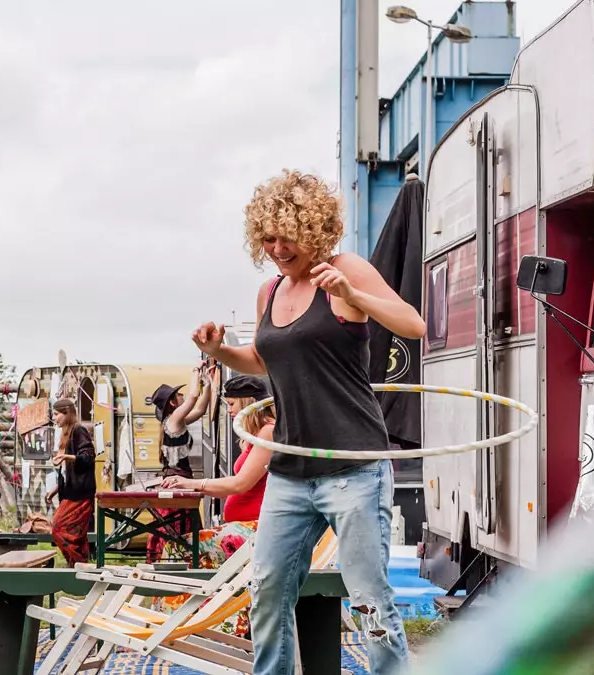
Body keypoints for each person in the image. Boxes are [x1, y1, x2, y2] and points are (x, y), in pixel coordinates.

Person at [192, 169, 425, 674]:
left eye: (287, 235)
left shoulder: (343, 270)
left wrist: (354, 295)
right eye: (268, 238)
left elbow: (414, 324)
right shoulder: (269, 291)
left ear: (314, 227)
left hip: (353, 466)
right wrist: (218, 351)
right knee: (267, 588)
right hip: (291, 471)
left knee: (367, 598)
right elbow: (261, 360)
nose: (277, 247)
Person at [155, 374, 275, 636]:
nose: (229, 411)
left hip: (258, 531)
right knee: (187, 551)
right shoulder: (256, 435)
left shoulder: (269, 431)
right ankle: (204, 621)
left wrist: (192, 484)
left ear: (248, 403)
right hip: (246, 528)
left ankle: (175, 625)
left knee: (178, 548)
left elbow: (240, 484)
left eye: (232, 404)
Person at [145, 367, 212, 563]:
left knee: (182, 525)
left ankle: (183, 561)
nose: (182, 395)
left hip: (179, 478)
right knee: (178, 527)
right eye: (178, 395)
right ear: (173, 402)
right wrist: (196, 372)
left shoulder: (176, 421)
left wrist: (207, 385)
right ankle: (177, 561)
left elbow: (200, 409)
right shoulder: (173, 419)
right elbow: (193, 397)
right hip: (177, 480)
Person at [48, 399, 96, 565]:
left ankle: (76, 564)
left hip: (80, 493)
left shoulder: (78, 430)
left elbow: (88, 457)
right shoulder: (66, 433)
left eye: (56, 414)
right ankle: (80, 567)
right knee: (77, 535)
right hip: (70, 491)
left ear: (67, 412)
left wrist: (67, 456)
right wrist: (55, 489)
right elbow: (67, 471)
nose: (54, 418)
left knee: (59, 529)